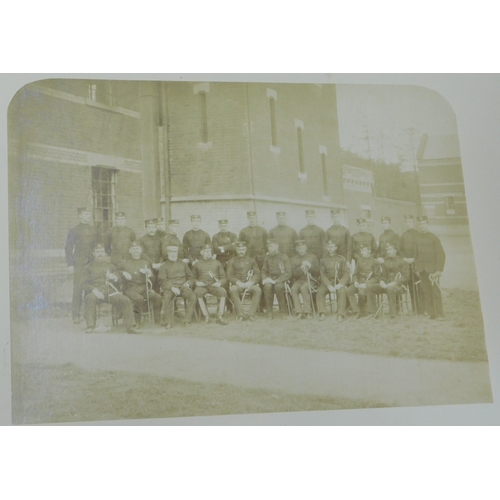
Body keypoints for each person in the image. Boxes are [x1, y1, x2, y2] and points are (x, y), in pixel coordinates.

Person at [81, 244, 141, 334]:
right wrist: (94, 291)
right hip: (95, 292)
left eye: (102, 252)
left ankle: (131, 327)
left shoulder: (111, 266)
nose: (100, 254)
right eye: (98, 252)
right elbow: (83, 284)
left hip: (110, 292)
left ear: (105, 253)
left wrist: (114, 277)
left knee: (125, 300)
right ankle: (90, 326)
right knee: (89, 298)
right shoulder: (88, 268)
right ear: (93, 253)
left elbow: (119, 280)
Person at [65, 206, 99, 324]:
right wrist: (70, 264)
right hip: (78, 263)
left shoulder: (94, 230)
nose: (88, 216)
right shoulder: (74, 230)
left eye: (89, 214)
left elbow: (96, 246)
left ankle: (88, 315)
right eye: (86, 214)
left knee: (89, 289)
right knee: (78, 289)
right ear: (80, 216)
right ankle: (76, 315)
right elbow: (68, 248)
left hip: (91, 263)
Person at [118, 241, 162, 326]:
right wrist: (123, 273)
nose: (135, 251)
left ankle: (157, 320)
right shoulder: (125, 262)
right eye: (133, 249)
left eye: (137, 249)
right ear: (130, 251)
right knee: (139, 299)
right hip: (130, 289)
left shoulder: (145, 263)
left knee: (158, 297)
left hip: (144, 288)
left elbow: (152, 279)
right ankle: (136, 321)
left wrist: (149, 273)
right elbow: (116, 272)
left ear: (141, 250)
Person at [366, 243, 409, 323]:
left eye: (390, 250)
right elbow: (383, 276)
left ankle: (393, 315)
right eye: (387, 250)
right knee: (370, 287)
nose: (388, 252)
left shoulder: (402, 262)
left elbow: (406, 277)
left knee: (390, 289)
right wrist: (382, 281)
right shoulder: (386, 263)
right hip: (386, 285)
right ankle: (373, 313)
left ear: (395, 251)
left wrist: (394, 283)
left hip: (400, 286)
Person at [414, 215, 446, 320]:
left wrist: (438, 270)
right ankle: (431, 313)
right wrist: (417, 269)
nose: (422, 226)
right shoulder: (417, 238)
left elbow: (441, 254)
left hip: (432, 271)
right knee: (426, 292)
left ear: (427, 224)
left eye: (424, 224)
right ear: (418, 225)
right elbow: (416, 255)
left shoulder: (434, 238)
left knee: (435, 291)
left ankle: (440, 313)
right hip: (422, 270)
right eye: (420, 224)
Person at [158, 245, 197, 330]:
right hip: (170, 288)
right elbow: (162, 281)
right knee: (167, 297)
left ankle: (187, 320)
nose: (173, 254)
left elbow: (191, 277)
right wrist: (172, 288)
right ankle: (168, 322)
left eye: (175, 252)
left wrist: (188, 284)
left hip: (183, 287)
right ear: (168, 253)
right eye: (171, 252)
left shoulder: (183, 264)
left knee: (192, 296)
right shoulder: (164, 266)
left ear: (177, 253)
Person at [192, 244, 229, 325]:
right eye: (206, 251)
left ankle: (219, 316)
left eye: (210, 251)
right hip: (202, 286)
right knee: (197, 292)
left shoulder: (217, 263)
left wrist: (219, 283)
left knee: (222, 291)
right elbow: (192, 277)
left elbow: (224, 278)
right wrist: (197, 282)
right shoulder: (197, 264)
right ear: (201, 253)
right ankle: (206, 316)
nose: (209, 253)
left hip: (214, 285)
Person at [226, 241, 261, 322]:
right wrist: (239, 283)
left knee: (258, 290)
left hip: (249, 284)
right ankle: (240, 314)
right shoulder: (231, 261)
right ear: (236, 250)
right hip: (238, 284)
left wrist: (251, 282)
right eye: (239, 249)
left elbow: (257, 274)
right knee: (232, 290)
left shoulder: (251, 260)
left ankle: (251, 314)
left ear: (245, 250)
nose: (241, 251)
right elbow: (230, 275)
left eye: (243, 249)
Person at [317, 240, 350, 322]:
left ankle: (340, 314)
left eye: (332, 247)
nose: (330, 248)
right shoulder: (323, 260)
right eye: (329, 247)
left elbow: (346, 273)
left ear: (335, 248)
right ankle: (322, 313)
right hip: (327, 283)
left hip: (338, 282)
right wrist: (328, 285)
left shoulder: (341, 259)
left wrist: (341, 284)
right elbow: (322, 275)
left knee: (342, 291)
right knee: (320, 291)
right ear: (326, 248)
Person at [346, 245, 381, 319]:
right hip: (359, 283)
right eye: (361, 251)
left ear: (369, 251)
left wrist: (366, 284)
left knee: (361, 293)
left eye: (364, 250)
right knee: (349, 290)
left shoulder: (375, 262)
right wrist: (355, 281)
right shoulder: (359, 261)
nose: (362, 252)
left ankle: (363, 311)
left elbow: (377, 277)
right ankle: (356, 311)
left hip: (367, 284)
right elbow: (355, 274)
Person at [261, 239, 292, 319]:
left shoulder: (283, 257)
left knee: (278, 287)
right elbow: (263, 270)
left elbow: (288, 273)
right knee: (267, 287)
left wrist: (276, 281)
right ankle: (269, 312)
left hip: (280, 280)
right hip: (270, 279)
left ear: (277, 246)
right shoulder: (267, 258)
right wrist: (264, 279)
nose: (269, 248)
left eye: (271, 246)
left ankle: (283, 311)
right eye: (268, 246)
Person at [290, 240, 319, 320]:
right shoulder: (293, 259)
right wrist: (301, 267)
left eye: (303, 248)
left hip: (311, 279)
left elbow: (317, 272)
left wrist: (309, 266)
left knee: (304, 288)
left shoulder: (312, 257)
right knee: (293, 289)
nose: (301, 250)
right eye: (299, 248)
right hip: (299, 280)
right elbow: (293, 274)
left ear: (306, 248)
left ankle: (307, 312)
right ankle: (298, 312)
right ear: (296, 249)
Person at [399, 215, 422, 314]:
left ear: (413, 223)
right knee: (410, 287)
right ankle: (413, 309)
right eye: (406, 222)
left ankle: (420, 308)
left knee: (418, 287)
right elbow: (400, 250)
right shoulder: (403, 235)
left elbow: (420, 249)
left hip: (415, 264)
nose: (408, 223)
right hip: (406, 264)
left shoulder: (418, 234)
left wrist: (413, 259)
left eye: (410, 221)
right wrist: (404, 258)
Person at [139, 219, 162, 292]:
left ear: (156, 228)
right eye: (149, 227)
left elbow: (163, 252)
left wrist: (160, 263)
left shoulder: (160, 239)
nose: (151, 229)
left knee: (159, 284)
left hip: (159, 266)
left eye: (153, 227)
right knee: (150, 284)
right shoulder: (142, 240)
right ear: (146, 228)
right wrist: (152, 264)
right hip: (148, 265)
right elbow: (142, 254)